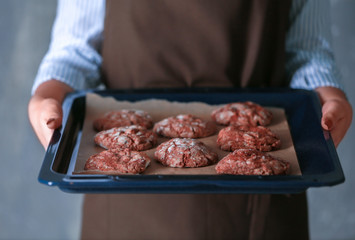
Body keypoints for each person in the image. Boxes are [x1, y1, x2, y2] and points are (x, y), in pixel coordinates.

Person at [28, 0, 352, 239]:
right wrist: (47, 96)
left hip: (259, 204)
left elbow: (308, 50)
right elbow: (75, 50)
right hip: (124, 206)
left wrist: (328, 96)